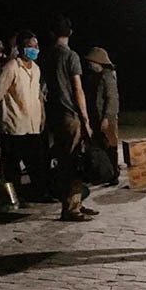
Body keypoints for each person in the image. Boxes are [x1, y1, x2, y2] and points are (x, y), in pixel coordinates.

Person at [39, 15, 97, 221]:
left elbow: (42, 88)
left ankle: (75, 202)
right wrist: (85, 120)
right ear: (70, 32)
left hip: (53, 114)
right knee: (73, 161)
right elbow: (77, 89)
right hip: (70, 114)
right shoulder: (70, 56)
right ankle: (71, 208)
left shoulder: (45, 56)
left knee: (64, 159)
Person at [0, 31, 50, 204]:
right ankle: (14, 198)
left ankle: (38, 193)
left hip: (32, 125)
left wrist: (42, 116)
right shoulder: (12, 67)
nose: (35, 49)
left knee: (36, 163)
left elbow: (38, 96)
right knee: (12, 167)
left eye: (36, 46)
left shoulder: (36, 69)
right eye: (31, 46)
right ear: (22, 48)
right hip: (14, 125)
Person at [82, 47, 120, 185]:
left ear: (98, 62)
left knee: (110, 146)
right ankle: (104, 173)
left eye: (92, 62)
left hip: (107, 119)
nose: (90, 64)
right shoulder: (96, 76)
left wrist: (107, 118)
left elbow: (112, 98)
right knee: (101, 145)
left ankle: (113, 174)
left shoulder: (107, 76)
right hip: (98, 117)